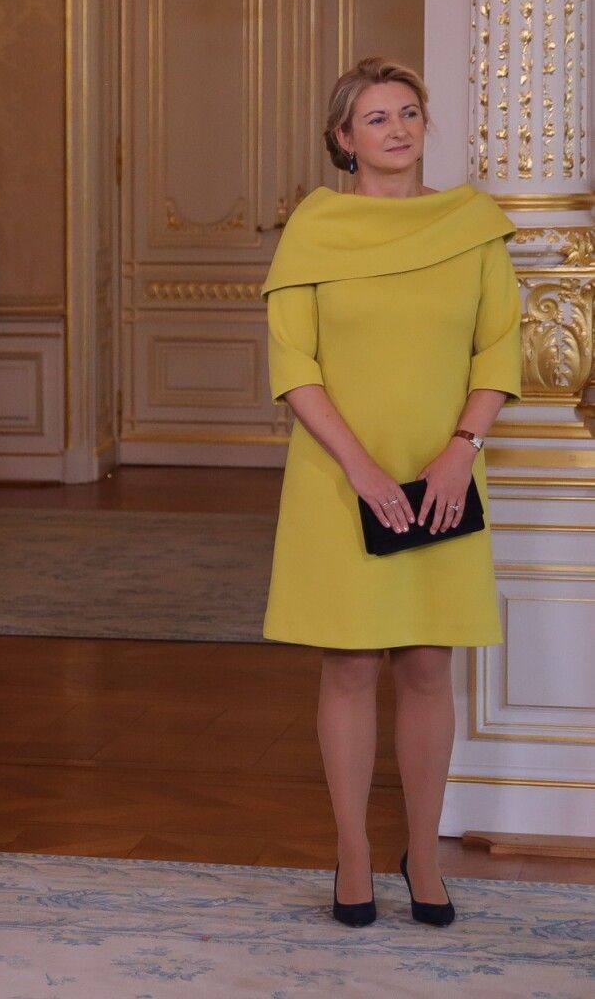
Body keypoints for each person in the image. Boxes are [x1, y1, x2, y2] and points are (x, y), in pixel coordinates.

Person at [261, 57, 521, 928]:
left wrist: (459, 453)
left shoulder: (472, 225)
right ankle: (352, 853)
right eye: (376, 118)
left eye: (409, 112)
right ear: (343, 138)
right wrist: (363, 470)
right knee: (348, 663)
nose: (398, 129)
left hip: (444, 472)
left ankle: (424, 854)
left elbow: (498, 351)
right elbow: (295, 365)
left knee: (426, 664)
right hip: (340, 476)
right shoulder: (314, 230)